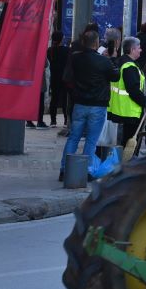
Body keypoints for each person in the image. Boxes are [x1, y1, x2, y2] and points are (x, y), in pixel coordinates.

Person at [60, 30, 120, 179]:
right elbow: (115, 76)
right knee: (91, 140)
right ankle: (86, 170)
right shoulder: (103, 61)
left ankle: (64, 169)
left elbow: (69, 77)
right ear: (96, 43)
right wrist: (112, 59)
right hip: (97, 105)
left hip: (80, 103)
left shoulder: (75, 58)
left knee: (74, 137)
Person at [109, 37, 146, 147]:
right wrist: (145, 101)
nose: (141, 50)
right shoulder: (129, 67)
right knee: (130, 145)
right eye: (139, 48)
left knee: (123, 144)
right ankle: (129, 163)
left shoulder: (121, 62)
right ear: (132, 49)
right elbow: (133, 90)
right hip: (129, 113)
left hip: (120, 110)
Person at [46, 30, 70, 127]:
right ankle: (65, 120)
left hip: (54, 77)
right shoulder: (66, 50)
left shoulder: (50, 50)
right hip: (64, 77)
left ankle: (53, 121)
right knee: (65, 99)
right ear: (61, 39)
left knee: (54, 99)